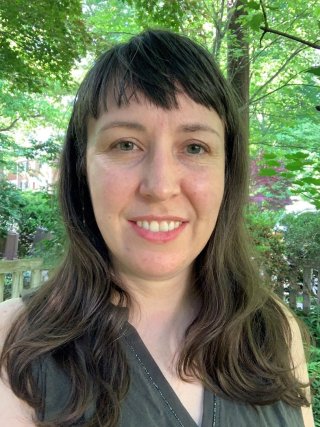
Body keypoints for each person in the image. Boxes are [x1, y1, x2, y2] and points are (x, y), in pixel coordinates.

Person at [0, 29, 314, 427]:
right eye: (126, 144)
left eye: (195, 147)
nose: (161, 186)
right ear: (82, 169)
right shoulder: (12, 346)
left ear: (226, 173)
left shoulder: (275, 332)